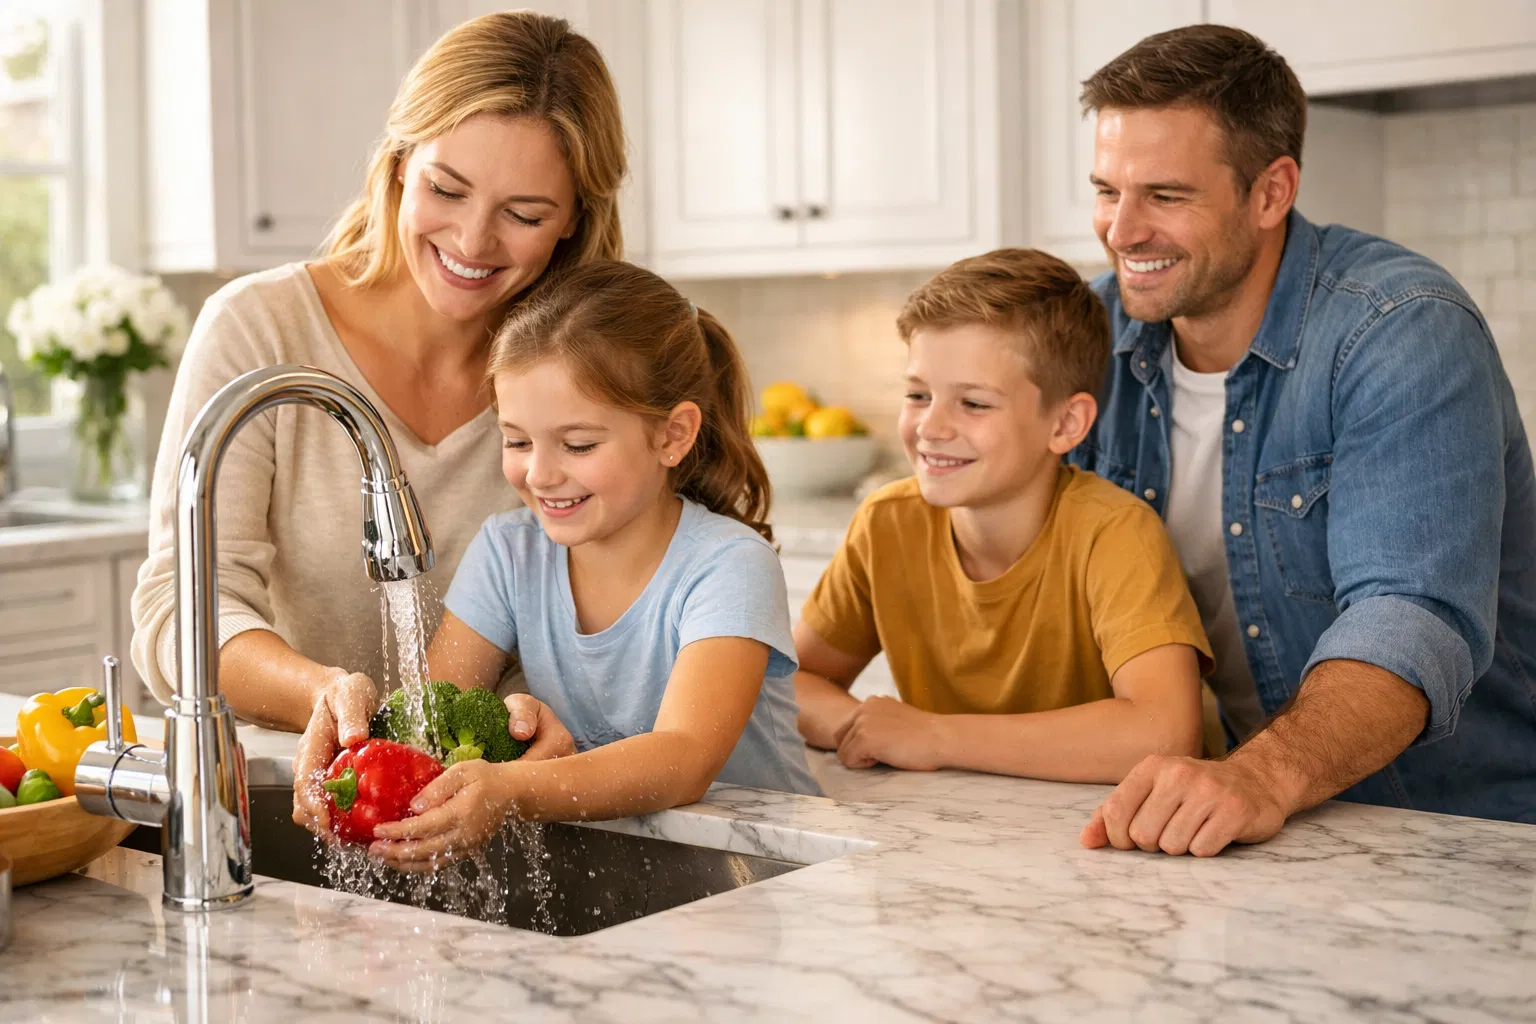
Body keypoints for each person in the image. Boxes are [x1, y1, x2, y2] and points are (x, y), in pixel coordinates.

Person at [127, 12, 630, 834]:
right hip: (291, 800)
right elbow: (180, 610)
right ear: (398, 165)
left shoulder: (588, 378)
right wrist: (320, 692)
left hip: (495, 805)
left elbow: (609, 607)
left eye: (525, 213)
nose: (473, 239)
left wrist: (539, 717)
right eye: (447, 189)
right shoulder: (260, 330)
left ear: (575, 216)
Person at [1072, 24, 1536, 857]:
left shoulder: (1399, 329)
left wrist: (1261, 775)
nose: (1122, 229)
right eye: (1107, 190)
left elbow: (1411, 612)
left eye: (1165, 196)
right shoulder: (1090, 334)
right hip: (1236, 832)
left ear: (1271, 192)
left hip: (1457, 836)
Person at [366, 261, 819, 869]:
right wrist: (507, 731)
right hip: (623, 867)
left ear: (673, 436)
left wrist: (513, 787)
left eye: (578, 445)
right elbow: (431, 718)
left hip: (763, 872)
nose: (539, 473)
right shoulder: (508, 552)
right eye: (517, 440)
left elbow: (683, 758)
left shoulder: (729, 565)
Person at [792, 248, 1214, 782]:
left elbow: (1166, 733)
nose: (930, 427)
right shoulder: (885, 523)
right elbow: (788, 679)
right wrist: (862, 728)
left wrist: (934, 736)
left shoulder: (1114, 533)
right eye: (918, 394)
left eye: (974, 403)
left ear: (1065, 424)